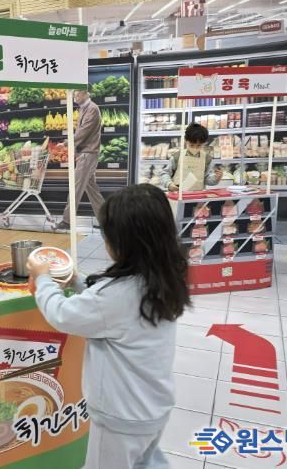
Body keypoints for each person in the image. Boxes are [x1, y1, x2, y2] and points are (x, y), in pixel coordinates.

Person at [27, 184, 190, 469]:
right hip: (154, 406)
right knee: (145, 462)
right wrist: (78, 281)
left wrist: (43, 280)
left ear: (124, 244)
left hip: (121, 417)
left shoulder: (115, 295)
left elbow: (62, 314)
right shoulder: (164, 276)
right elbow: (110, 306)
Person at [53, 89, 105, 231]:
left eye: (77, 94)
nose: (75, 97)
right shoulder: (84, 108)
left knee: (75, 188)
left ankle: (67, 221)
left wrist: (66, 143)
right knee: (93, 190)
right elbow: (80, 131)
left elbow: (83, 131)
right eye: (74, 95)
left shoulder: (92, 109)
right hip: (86, 153)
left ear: (86, 93)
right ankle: (106, 220)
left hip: (88, 154)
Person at [158, 123, 222, 192]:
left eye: (199, 145)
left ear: (204, 143)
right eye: (191, 145)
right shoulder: (177, 157)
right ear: (186, 141)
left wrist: (216, 178)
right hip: (178, 194)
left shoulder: (207, 159)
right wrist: (169, 184)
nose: (195, 148)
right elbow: (164, 173)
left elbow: (207, 179)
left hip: (197, 196)